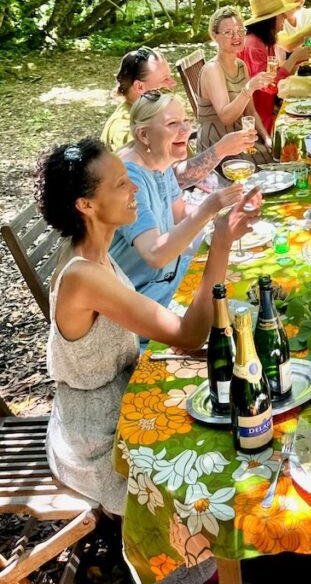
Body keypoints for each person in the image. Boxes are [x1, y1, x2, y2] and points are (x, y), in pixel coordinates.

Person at [36, 137, 259, 515]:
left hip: (122, 402)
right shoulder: (83, 275)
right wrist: (220, 240)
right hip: (100, 442)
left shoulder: (92, 249)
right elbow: (191, 335)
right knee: (220, 469)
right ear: (85, 205)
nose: (135, 188)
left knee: (233, 398)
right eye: (121, 183)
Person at [109, 91, 245, 313]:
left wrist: (226, 214)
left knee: (248, 274)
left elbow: (179, 214)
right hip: (144, 297)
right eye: (172, 124)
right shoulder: (130, 179)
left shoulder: (158, 159)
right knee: (239, 306)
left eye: (185, 120)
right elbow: (155, 254)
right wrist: (209, 208)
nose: (185, 130)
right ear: (144, 135)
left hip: (172, 275)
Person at [197, 6, 273, 153]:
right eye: (228, 32)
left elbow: (251, 112)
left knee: (283, 151)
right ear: (214, 36)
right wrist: (249, 89)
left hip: (240, 140)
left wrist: (266, 137)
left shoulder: (241, 65)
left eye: (240, 31)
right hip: (218, 147)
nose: (236, 36)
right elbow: (226, 118)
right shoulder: (213, 69)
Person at [238, 0, 311, 137]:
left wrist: (298, 60)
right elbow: (269, 86)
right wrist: (293, 58)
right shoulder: (253, 45)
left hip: (270, 108)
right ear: (270, 20)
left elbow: (276, 76)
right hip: (258, 120)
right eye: (281, 14)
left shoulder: (266, 41)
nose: (285, 17)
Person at [101, 46, 176, 151]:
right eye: (165, 79)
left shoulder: (150, 112)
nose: (173, 83)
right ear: (140, 87)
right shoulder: (128, 132)